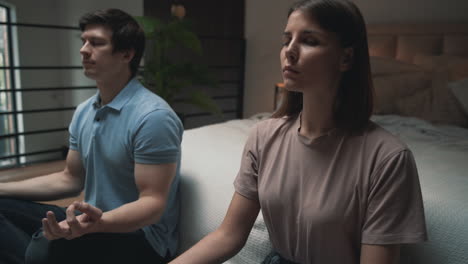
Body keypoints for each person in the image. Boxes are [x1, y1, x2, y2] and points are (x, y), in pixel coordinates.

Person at [170, 0, 427, 263]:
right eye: (286, 40)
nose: (289, 52)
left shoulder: (388, 158)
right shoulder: (264, 136)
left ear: (346, 57)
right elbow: (228, 235)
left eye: (310, 41)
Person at [0, 8, 183, 264]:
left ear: (126, 54)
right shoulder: (85, 111)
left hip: (141, 238)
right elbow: (71, 178)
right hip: (91, 221)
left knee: (44, 249)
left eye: (96, 43)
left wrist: (96, 225)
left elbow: (152, 204)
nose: (84, 50)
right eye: (84, 41)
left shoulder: (153, 117)